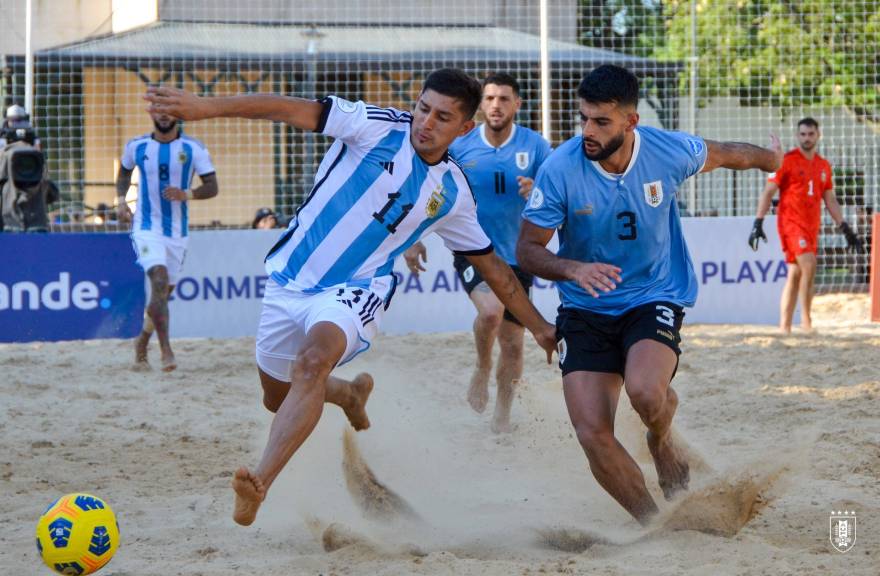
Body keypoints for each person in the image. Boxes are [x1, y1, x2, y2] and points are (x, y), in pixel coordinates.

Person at [144, 68, 558, 527]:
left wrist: (539, 325)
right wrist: (205, 108)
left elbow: (492, 268)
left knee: (311, 363)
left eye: (442, 117)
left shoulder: (452, 191)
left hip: (357, 288)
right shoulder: (376, 124)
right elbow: (284, 108)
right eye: (423, 108)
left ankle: (258, 483)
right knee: (276, 397)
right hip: (290, 278)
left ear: (463, 128)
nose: (426, 122)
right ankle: (348, 395)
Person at [516, 64, 781, 525]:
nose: (587, 132)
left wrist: (771, 160)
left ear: (630, 122)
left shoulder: (667, 151)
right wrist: (573, 267)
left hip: (652, 294)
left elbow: (727, 153)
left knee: (644, 392)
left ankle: (661, 439)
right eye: (583, 118)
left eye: (601, 122)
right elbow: (527, 249)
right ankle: (655, 525)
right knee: (592, 433)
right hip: (583, 306)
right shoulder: (560, 167)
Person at [403, 72, 552, 433]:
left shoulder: (535, 147)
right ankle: (483, 366)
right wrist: (411, 237)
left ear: (517, 104)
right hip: (474, 251)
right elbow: (424, 186)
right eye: (489, 99)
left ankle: (502, 417)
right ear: (479, 106)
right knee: (490, 312)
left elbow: (558, 196)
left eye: (503, 99)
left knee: (515, 346)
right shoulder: (461, 146)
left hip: (518, 257)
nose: (496, 105)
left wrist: (537, 192)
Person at [116, 109, 219, 371]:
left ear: (177, 115)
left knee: (162, 294)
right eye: (158, 112)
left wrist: (188, 194)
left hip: (177, 232)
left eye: (168, 112)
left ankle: (141, 341)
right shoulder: (137, 145)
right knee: (159, 280)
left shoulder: (192, 148)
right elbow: (124, 172)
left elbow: (212, 186)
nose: (163, 116)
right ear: (151, 114)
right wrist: (120, 201)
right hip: (146, 227)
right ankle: (166, 351)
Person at [748, 117, 864, 332]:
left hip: (812, 226)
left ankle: (785, 326)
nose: (807, 138)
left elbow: (830, 199)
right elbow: (768, 192)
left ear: (818, 135)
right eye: (803, 134)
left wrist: (845, 228)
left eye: (811, 134)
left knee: (795, 273)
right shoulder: (787, 161)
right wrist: (758, 222)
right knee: (809, 265)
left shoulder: (823, 166)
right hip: (791, 224)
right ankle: (807, 323)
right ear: (797, 136)